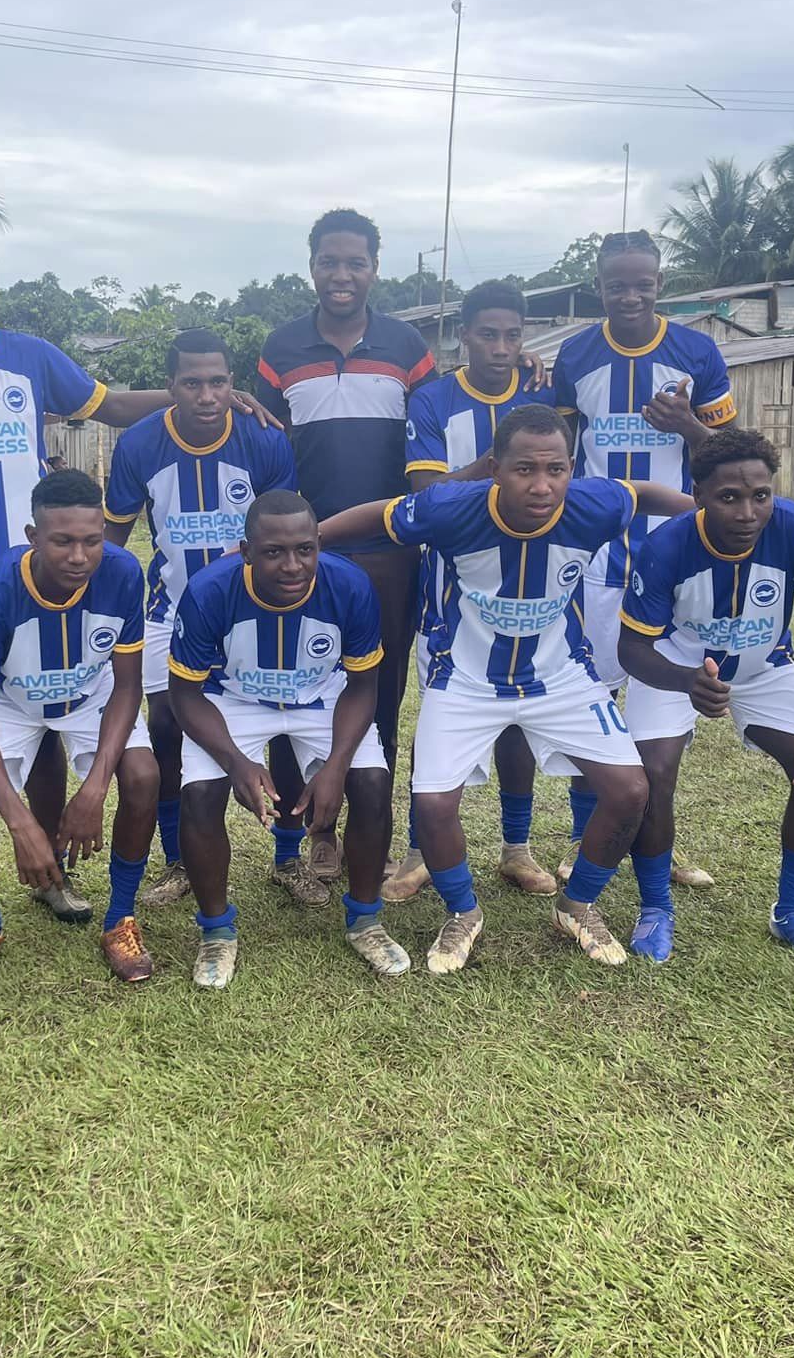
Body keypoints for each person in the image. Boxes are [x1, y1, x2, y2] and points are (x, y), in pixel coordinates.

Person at [0, 248, 276, 940]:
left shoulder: (30, 356)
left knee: (47, 719)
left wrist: (199, 398)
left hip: (43, 577)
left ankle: (53, 871)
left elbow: (110, 405)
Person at [319, 404, 692, 974]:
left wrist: (702, 512)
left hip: (561, 676)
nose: (542, 486)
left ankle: (577, 905)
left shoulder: (594, 503)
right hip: (465, 680)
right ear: (495, 468)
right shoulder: (450, 507)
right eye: (524, 469)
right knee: (432, 804)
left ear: (572, 470)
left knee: (630, 790)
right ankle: (463, 912)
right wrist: (309, 539)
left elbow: (643, 493)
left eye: (556, 469)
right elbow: (380, 515)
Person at [618, 430, 794, 964]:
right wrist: (686, 681)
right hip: (676, 667)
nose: (748, 512)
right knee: (651, 776)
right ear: (699, 494)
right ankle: (655, 907)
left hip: (764, 668)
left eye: (761, 495)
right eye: (729, 497)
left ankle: (792, 911)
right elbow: (632, 649)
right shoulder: (666, 545)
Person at [255, 209, 434, 890]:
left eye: (355, 262)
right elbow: (265, 440)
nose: (342, 274)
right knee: (293, 688)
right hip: (302, 555)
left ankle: (368, 828)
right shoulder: (280, 348)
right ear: (311, 267)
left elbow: (439, 426)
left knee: (379, 689)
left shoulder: (408, 346)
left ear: (374, 269)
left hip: (390, 552)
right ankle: (310, 833)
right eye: (329, 261)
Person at [552, 231, 737, 888]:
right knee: (593, 694)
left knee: (662, 700)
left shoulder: (697, 352)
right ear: (598, 287)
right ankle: (583, 838)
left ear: (661, 284)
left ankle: (657, 842)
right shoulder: (575, 355)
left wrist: (688, 425)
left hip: (677, 551)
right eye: (616, 285)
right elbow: (559, 445)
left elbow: (733, 454)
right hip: (599, 552)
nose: (629, 296)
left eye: (642, 284)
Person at [166, 490, 408, 989]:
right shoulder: (209, 590)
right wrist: (235, 762)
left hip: (321, 697)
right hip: (233, 698)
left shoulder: (350, 585)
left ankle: (365, 921)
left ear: (319, 543)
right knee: (200, 795)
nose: (292, 565)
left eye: (304, 549)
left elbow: (363, 685)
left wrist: (336, 766)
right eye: (274, 552)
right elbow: (184, 694)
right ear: (246, 551)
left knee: (370, 784)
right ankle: (216, 931)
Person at [103, 329, 298, 908]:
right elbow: (114, 538)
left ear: (233, 384)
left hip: (255, 611)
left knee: (282, 721)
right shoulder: (140, 444)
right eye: (192, 383)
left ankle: (289, 856)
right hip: (170, 609)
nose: (207, 396)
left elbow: (286, 526)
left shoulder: (264, 438)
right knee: (166, 726)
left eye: (217, 382)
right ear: (171, 386)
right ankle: (177, 859)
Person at [0, 470, 161, 986]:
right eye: (63, 541)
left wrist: (94, 790)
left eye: (92, 540)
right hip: (10, 702)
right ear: (33, 537)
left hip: (90, 695)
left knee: (143, 776)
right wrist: (21, 824)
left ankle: (120, 920)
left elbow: (127, 686)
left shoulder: (123, 573)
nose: (80, 557)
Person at [388, 278, 558, 903]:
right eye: (488, 335)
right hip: (451, 588)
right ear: (464, 336)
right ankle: (417, 852)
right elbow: (427, 495)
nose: (501, 348)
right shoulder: (433, 400)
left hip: (532, 583)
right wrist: (498, 468)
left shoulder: (544, 393)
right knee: (437, 718)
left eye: (513, 335)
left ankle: (517, 848)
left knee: (518, 715)